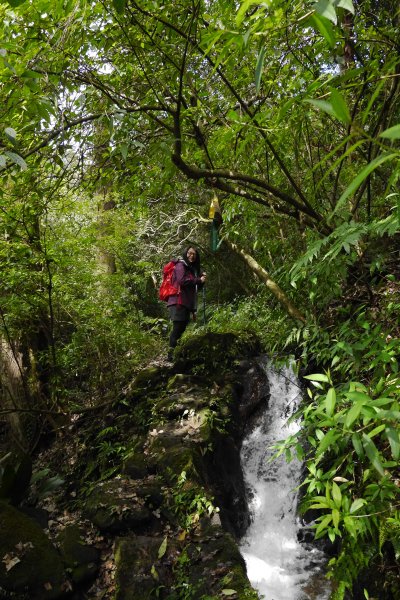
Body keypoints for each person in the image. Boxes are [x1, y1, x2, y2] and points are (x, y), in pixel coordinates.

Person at [167, 246, 206, 359]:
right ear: (185, 253)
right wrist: (198, 280)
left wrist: (201, 280)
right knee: (177, 328)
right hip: (177, 302)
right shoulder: (180, 265)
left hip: (184, 303)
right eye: (189, 253)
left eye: (194, 254)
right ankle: (170, 356)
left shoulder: (190, 269)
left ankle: (175, 354)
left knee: (181, 328)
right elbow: (181, 281)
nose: (191, 256)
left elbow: (195, 286)